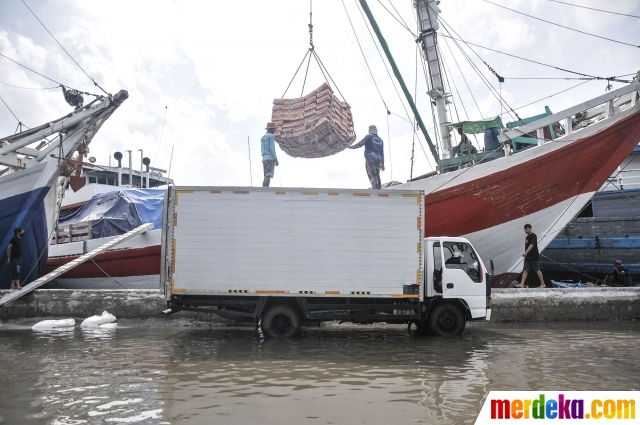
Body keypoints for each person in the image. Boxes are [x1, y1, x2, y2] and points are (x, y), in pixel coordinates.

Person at [349, 125, 385, 189]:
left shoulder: (369, 136)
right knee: (377, 174)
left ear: (369, 130)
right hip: (378, 159)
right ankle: (379, 188)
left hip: (370, 157)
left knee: (372, 174)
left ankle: (375, 189)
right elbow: (382, 153)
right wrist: (382, 164)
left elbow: (360, 143)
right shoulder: (380, 140)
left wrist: (352, 147)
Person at [515, 224, 546, 288]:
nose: (525, 231)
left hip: (533, 255)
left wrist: (526, 252)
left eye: (527, 229)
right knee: (525, 270)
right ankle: (522, 284)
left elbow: (531, 245)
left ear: (530, 229)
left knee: (537, 269)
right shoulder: (527, 237)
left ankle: (543, 284)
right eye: (524, 229)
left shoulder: (533, 236)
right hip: (528, 256)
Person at [261, 122, 279, 187]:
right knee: (268, 175)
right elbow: (272, 148)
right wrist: (275, 159)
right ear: (271, 129)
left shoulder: (263, 137)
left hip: (264, 158)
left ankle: (263, 189)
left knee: (265, 175)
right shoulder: (271, 136)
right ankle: (266, 189)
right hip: (270, 158)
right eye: (274, 129)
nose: (274, 131)